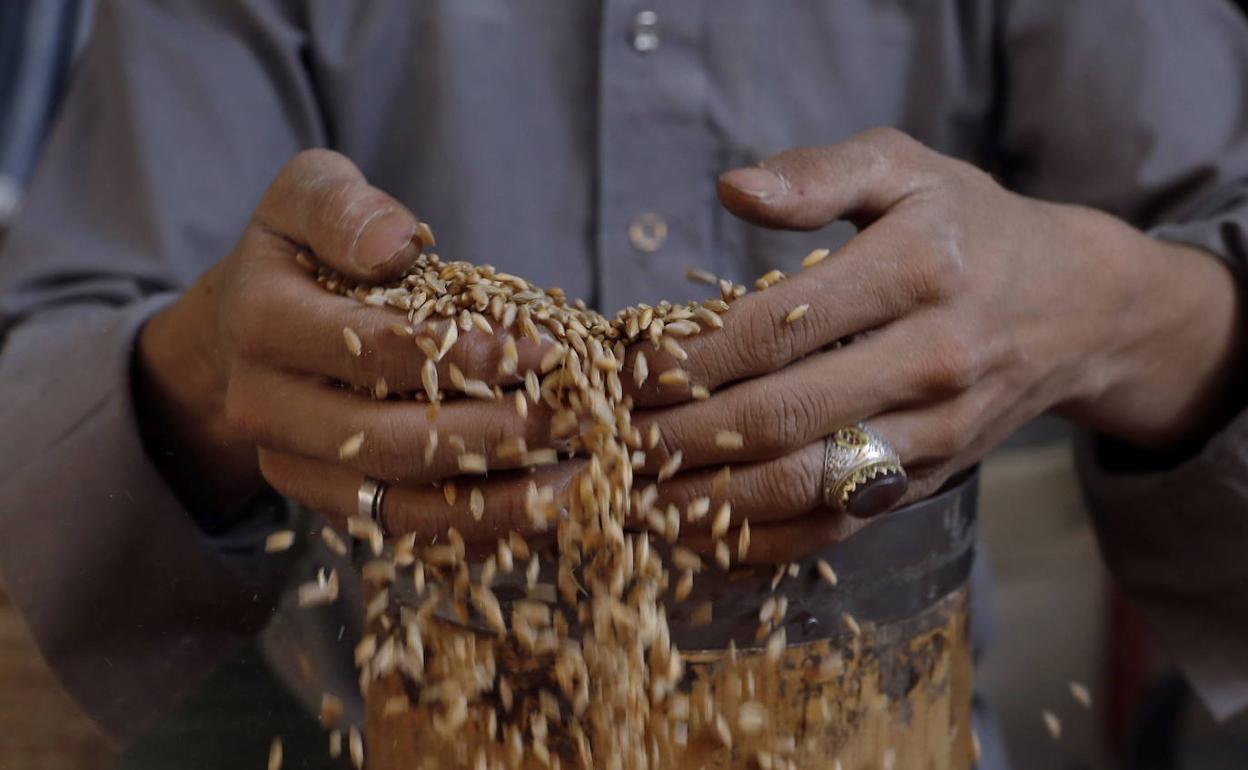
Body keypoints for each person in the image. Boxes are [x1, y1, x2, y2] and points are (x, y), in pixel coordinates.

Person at [0, 1, 1245, 767]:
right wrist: (214, 368)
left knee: (872, 506)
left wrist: (1100, 304)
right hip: (416, 725)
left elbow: (1210, 231)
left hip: (869, 715)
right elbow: (51, 365)